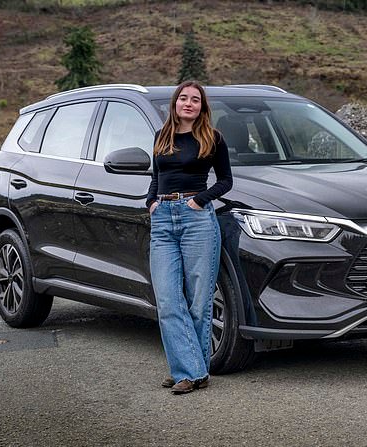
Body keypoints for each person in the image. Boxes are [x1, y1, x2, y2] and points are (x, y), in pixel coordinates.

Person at [146, 80, 233, 395]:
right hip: (163, 221)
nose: (188, 103)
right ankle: (193, 369)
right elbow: (156, 177)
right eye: (183, 98)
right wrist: (151, 202)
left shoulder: (213, 138)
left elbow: (225, 181)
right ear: (175, 103)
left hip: (197, 219)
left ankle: (187, 371)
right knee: (168, 298)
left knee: (198, 301)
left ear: (202, 107)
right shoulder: (162, 136)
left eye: (195, 99)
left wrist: (199, 200)